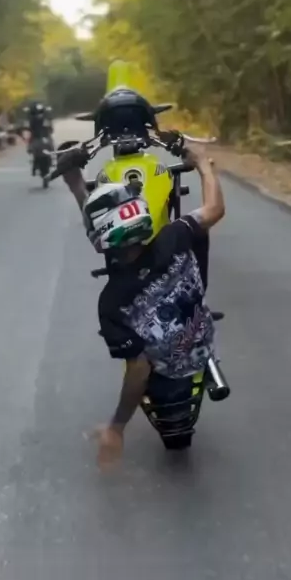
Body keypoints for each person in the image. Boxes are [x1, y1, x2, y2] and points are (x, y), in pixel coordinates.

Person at [59, 143, 225, 468]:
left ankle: (76, 185)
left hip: (164, 372)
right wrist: (203, 165)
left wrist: (117, 426)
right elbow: (214, 208)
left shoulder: (111, 303)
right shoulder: (175, 236)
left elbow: (138, 370)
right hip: (202, 342)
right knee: (198, 236)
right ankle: (78, 187)